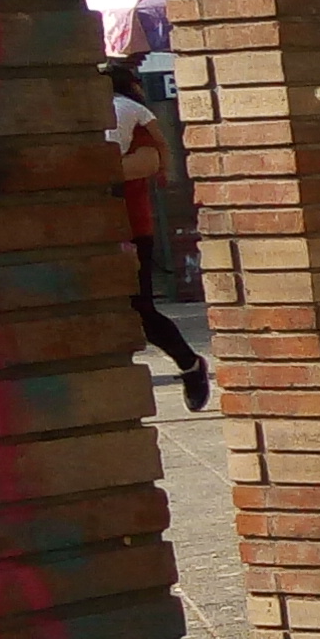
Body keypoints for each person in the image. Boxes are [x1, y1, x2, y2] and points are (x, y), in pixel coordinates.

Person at [107, 67, 206, 411]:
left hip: (132, 230)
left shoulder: (131, 120)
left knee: (140, 309)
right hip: (93, 231)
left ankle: (190, 364)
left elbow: (148, 163)